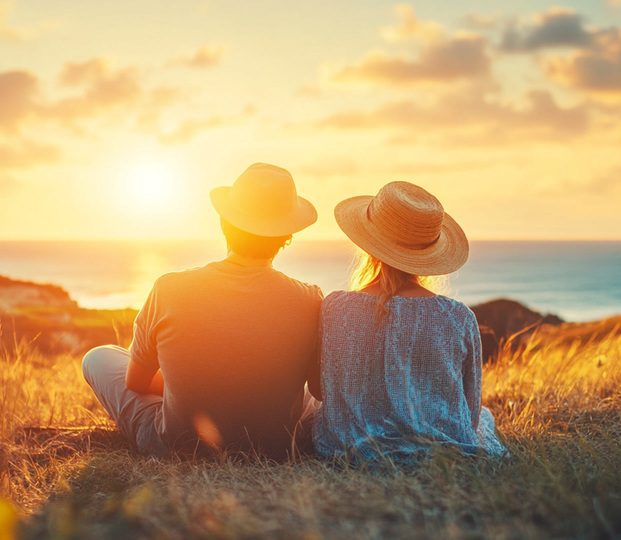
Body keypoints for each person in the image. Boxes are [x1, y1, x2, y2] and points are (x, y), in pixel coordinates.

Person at [82, 163, 322, 460]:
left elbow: (136, 383)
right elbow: (319, 388)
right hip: (275, 448)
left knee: (98, 357)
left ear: (224, 223)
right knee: (308, 397)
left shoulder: (169, 288)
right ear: (287, 235)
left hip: (177, 445)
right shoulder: (311, 298)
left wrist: (185, 381)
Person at [311, 181, 507, 464]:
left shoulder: (335, 307)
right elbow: (470, 408)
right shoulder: (458, 316)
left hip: (350, 446)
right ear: (429, 253)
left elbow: (320, 390)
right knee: (485, 417)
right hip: (442, 447)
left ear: (370, 246)